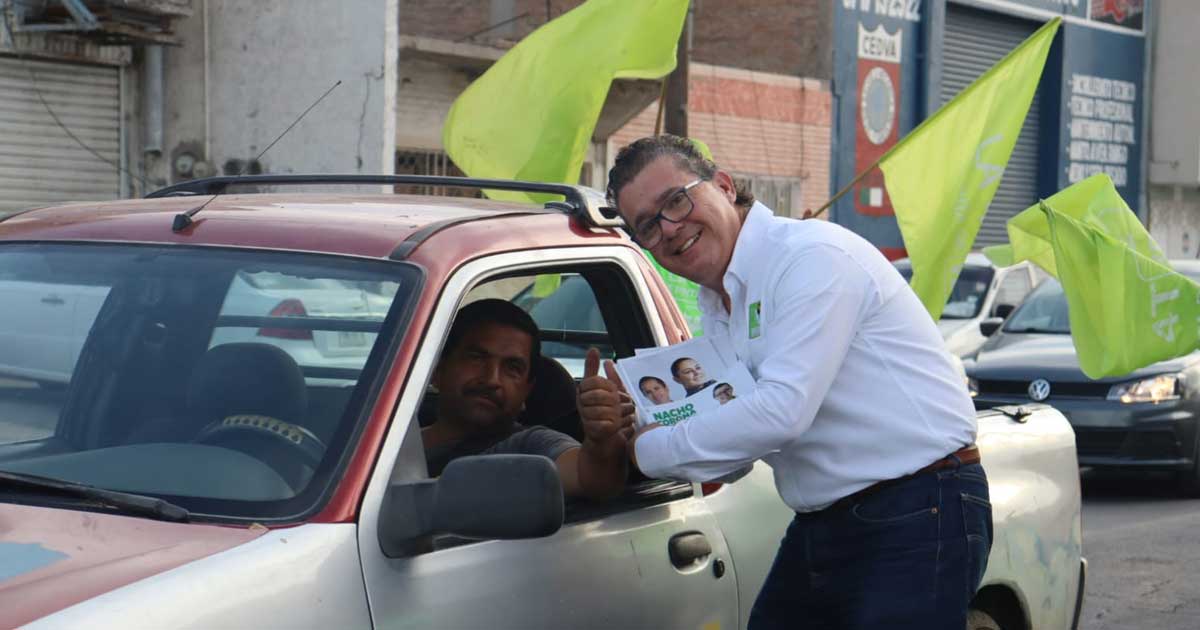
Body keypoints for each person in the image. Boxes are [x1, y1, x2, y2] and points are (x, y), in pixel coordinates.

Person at [581, 135, 991, 628]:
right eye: (648, 225)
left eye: (676, 200)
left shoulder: (810, 257)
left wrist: (643, 451)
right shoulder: (721, 302)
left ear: (725, 186)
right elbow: (735, 453)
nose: (670, 228)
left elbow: (781, 413)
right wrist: (633, 425)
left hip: (919, 507)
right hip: (828, 519)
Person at [422, 299, 633, 500]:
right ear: (437, 369)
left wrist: (603, 441)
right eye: (476, 358)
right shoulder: (393, 432)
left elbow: (589, 477)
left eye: (512, 368)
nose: (491, 379)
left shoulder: (531, 446)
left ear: (527, 391)